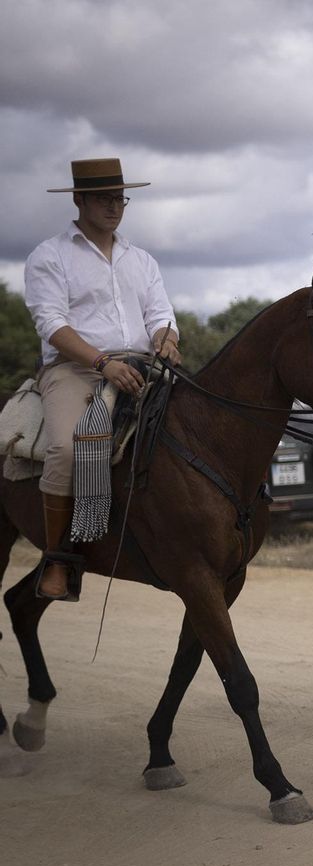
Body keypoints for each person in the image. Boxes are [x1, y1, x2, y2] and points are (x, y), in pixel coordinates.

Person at [23, 158, 181, 601]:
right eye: (104, 199)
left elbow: (160, 314)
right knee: (66, 446)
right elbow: (51, 323)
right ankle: (58, 558)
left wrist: (166, 339)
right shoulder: (50, 256)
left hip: (141, 364)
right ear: (79, 200)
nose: (115, 207)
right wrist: (101, 363)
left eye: (120, 198)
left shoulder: (141, 259)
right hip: (74, 369)